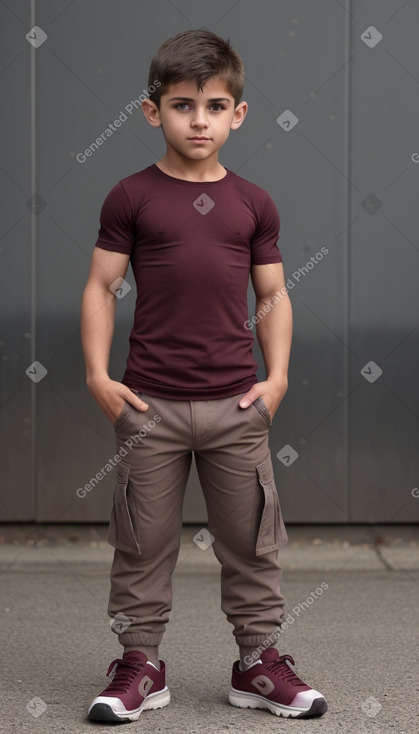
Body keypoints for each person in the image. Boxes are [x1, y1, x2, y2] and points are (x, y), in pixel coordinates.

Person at [80, 28, 328, 723]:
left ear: (236, 115)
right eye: (183, 104)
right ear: (153, 111)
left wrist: (275, 379)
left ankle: (257, 665)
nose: (199, 119)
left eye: (215, 106)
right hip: (148, 408)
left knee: (252, 546)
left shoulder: (253, 202)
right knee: (141, 545)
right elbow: (101, 288)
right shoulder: (130, 197)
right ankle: (139, 665)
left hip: (235, 407)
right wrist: (100, 379)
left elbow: (272, 296)